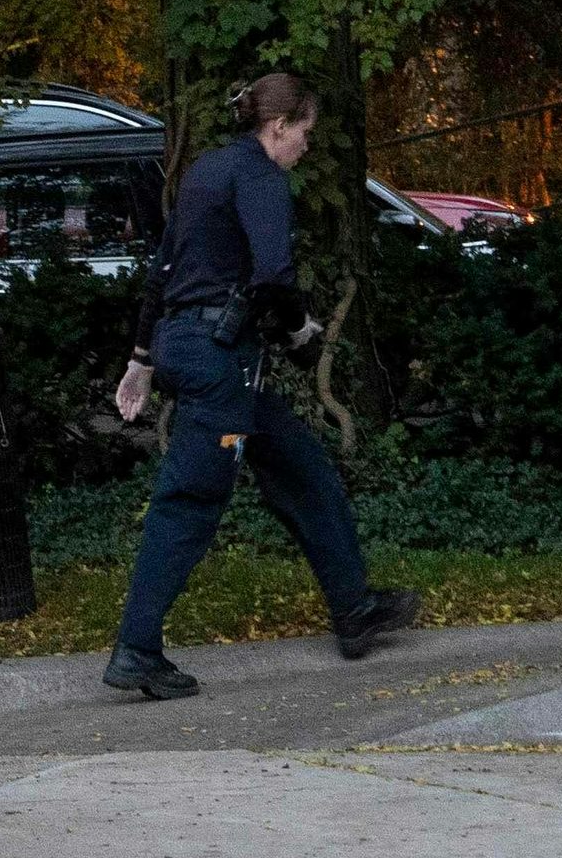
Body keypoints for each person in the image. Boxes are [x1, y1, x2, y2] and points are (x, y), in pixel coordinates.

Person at [101, 73, 420, 700]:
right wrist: (301, 330)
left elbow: (163, 268)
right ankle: (136, 650)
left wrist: (141, 357)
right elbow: (273, 275)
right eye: (304, 131)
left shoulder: (206, 172)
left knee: (304, 467)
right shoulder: (262, 178)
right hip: (220, 363)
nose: (306, 144)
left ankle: (354, 610)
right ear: (278, 127)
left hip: (198, 352)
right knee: (189, 500)